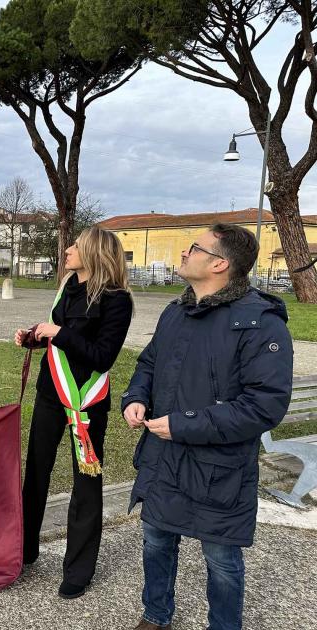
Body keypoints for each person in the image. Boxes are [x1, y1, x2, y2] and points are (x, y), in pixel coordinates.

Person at [122, 224, 293, 630]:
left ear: (219, 263)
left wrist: (186, 424)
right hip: (163, 458)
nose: (184, 253)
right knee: (156, 542)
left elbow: (264, 405)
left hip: (219, 469)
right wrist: (136, 398)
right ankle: (156, 615)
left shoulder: (261, 323)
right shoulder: (175, 310)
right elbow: (148, 363)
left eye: (194, 247)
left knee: (222, 560)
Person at [15, 225, 133, 599]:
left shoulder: (117, 300)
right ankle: (23, 551)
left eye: (76, 246)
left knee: (85, 484)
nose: (67, 249)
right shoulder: (68, 287)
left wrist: (57, 333)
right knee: (35, 473)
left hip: (86, 403)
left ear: (95, 253)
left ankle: (78, 571)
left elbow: (102, 356)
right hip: (51, 394)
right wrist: (33, 336)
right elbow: (57, 337)